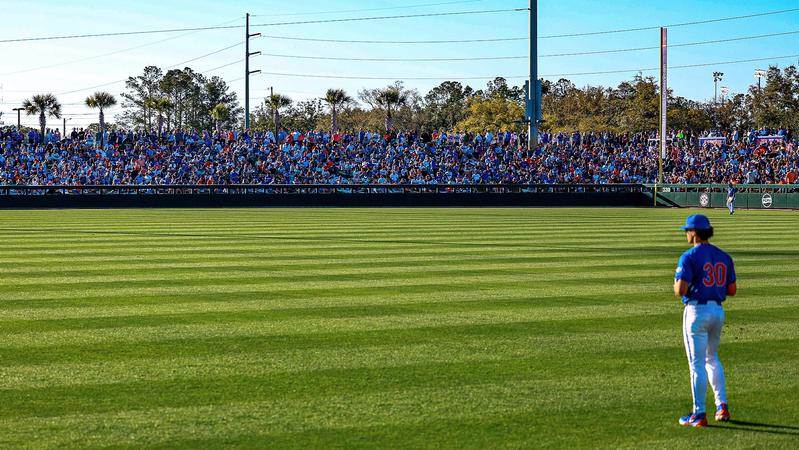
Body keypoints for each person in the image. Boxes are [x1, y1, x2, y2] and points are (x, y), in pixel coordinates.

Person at [674, 214, 737, 427]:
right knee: (712, 358)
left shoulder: (689, 256)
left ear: (694, 232)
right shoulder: (724, 256)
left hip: (696, 312)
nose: (686, 234)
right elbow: (732, 290)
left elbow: (680, 290)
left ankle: (699, 414)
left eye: (687, 230)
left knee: (697, 364)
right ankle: (722, 406)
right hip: (718, 311)